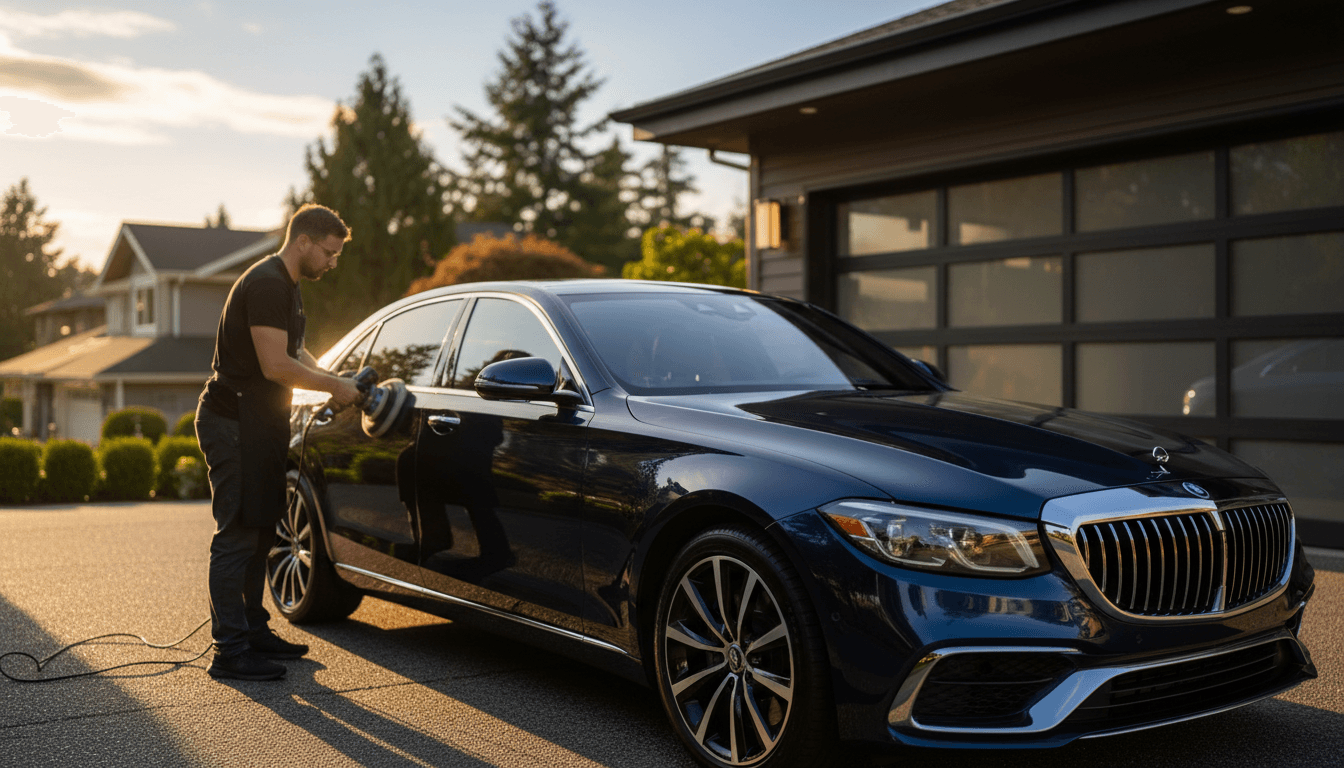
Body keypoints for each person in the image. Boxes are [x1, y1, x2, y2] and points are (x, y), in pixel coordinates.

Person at [194, 204, 362, 681]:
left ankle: (253, 630)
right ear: (303, 241)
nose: (332, 263)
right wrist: (334, 389)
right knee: (238, 535)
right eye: (329, 253)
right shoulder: (267, 283)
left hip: (261, 423)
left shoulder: (288, 287)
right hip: (233, 423)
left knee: (264, 526)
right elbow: (275, 366)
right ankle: (229, 651)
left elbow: (295, 352)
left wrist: (336, 377)